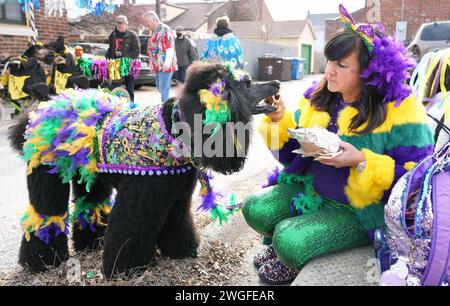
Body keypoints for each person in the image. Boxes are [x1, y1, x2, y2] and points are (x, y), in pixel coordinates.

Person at [242, 4, 435, 285]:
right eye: (330, 61)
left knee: (286, 237)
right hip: (309, 191)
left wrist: (362, 161)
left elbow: (416, 182)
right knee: (255, 208)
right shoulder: (319, 97)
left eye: (341, 65)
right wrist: (278, 121)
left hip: (357, 209)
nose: (329, 71)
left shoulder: (400, 110)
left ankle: (293, 249)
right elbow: (289, 160)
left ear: (368, 72)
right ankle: (296, 239)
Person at [143, 11, 178, 103]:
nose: (146, 24)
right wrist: (151, 63)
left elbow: (170, 47)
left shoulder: (165, 29)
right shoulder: (154, 31)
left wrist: (167, 63)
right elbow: (151, 48)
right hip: (157, 65)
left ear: (154, 20)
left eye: (147, 21)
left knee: (163, 89)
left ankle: (165, 110)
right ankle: (167, 106)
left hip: (165, 65)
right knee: (160, 88)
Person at [105, 15, 140, 102]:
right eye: (117, 23)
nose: (119, 25)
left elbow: (136, 51)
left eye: (121, 23)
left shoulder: (132, 35)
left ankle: (131, 107)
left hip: (128, 65)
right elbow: (110, 49)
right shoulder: (113, 35)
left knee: (130, 87)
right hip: (115, 65)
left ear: (126, 24)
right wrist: (106, 59)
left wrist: (124, 59)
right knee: (115, 87)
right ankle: (116, 106)